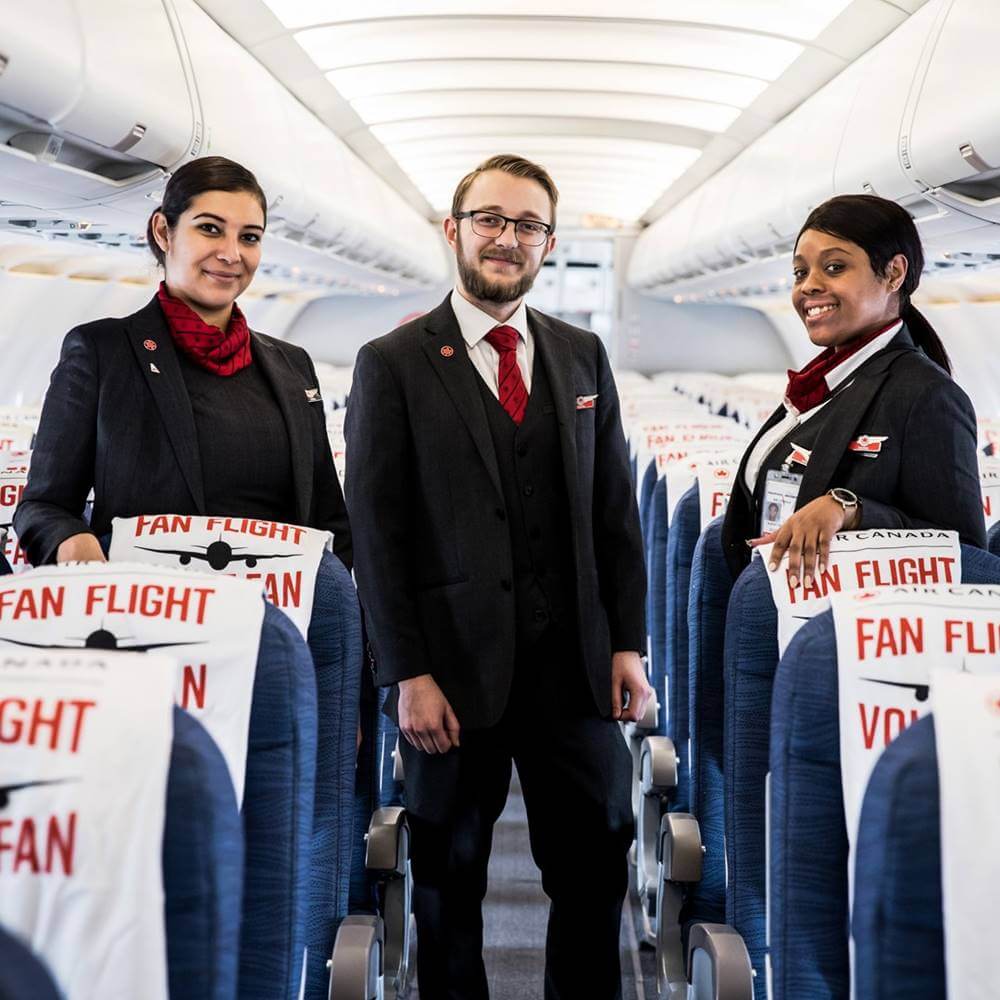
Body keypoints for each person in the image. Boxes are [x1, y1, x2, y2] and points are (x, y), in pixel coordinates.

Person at [345, 154, 650, 999]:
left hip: (573, 669)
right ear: (454, 229)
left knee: (597, 866)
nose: (506, 239)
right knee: (448, 880)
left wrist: (629, 645)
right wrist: (407, 672)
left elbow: (614, 514)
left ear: (549, 244)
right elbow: (377, 534)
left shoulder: (582, 355)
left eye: (527, 225)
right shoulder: (393, 362)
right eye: (490, 219)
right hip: (448, 674)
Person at [14, 155, 351, 568]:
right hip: (158, 608)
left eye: (249, 237)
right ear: (164, 231)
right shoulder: (102, 352)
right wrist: (71, 538)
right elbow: (43, 506)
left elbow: (330, 516)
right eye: (210, 229)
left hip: (287, 610)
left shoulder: (292, 365)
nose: (231, 254)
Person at [722, 193, 985, 583]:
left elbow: (962, 555)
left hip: (840, 626)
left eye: (834, 267)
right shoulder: (821, 385)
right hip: (775, 605)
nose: (809, 286)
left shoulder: (927, 395)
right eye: (800, 272)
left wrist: (849, 508)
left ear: (894, 273)